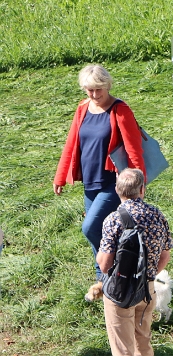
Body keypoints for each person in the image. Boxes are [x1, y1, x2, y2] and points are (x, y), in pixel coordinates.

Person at [54, 64, 146, 293]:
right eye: (89, 90)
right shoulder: (82, 108)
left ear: (107, 85)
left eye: (98, 89)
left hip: (113, 184)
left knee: (90, 228)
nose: (94, 95)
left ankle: (116, 270)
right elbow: (71, 143)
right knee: (102, 231)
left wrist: (138, 182)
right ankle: (106, 280)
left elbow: (134, 149)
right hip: (90, 182)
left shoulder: (120, 110)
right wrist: (60, 176)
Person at [96, 168, 173, 356]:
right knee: (143, 343)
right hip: (146, 290)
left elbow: (105, 265)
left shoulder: (113, 220)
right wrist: (148, 276)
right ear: (142, 189)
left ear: (117, 190)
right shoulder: (157, 215)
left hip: (120, 291)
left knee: (123, 349)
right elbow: (165, 256)